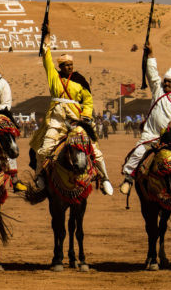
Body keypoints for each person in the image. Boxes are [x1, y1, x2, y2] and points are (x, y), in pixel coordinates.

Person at [29, 39, 113, 195]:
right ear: (60, 67)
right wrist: (46, 40)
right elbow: (46, 59)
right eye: (66, 65)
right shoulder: (54, 77)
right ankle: (39, 175)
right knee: (44, 150)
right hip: (56, 119)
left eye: (71, 64)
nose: (69, 67)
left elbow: (88, 101)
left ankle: (105, 178)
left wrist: (86, 117)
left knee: (94, 150)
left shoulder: (80, 81)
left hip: (76, 120)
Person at [119, 43, 171, 195]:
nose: (166, 83)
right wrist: (151, 55)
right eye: (165, 80)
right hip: (152, 134)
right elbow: (152, 74)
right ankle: (128, 177)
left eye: (170, 81)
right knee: (138, 152)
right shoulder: (158, 89)